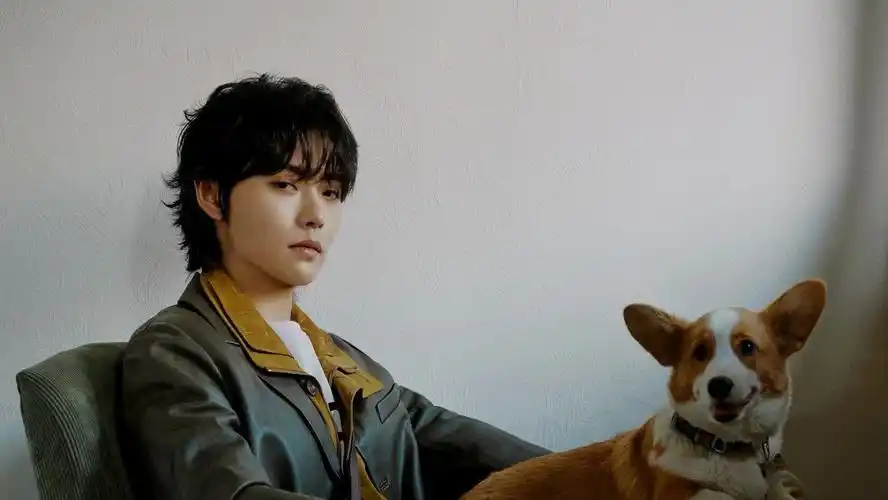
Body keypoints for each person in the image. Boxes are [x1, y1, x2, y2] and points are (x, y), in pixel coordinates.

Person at [118, 73, 551, 500]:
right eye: (286, 185)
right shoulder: (174, 353)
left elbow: (447, 436)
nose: (316, 215)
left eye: (330, 192)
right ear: (212, 195)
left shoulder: (342, 360)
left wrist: (581, 473)